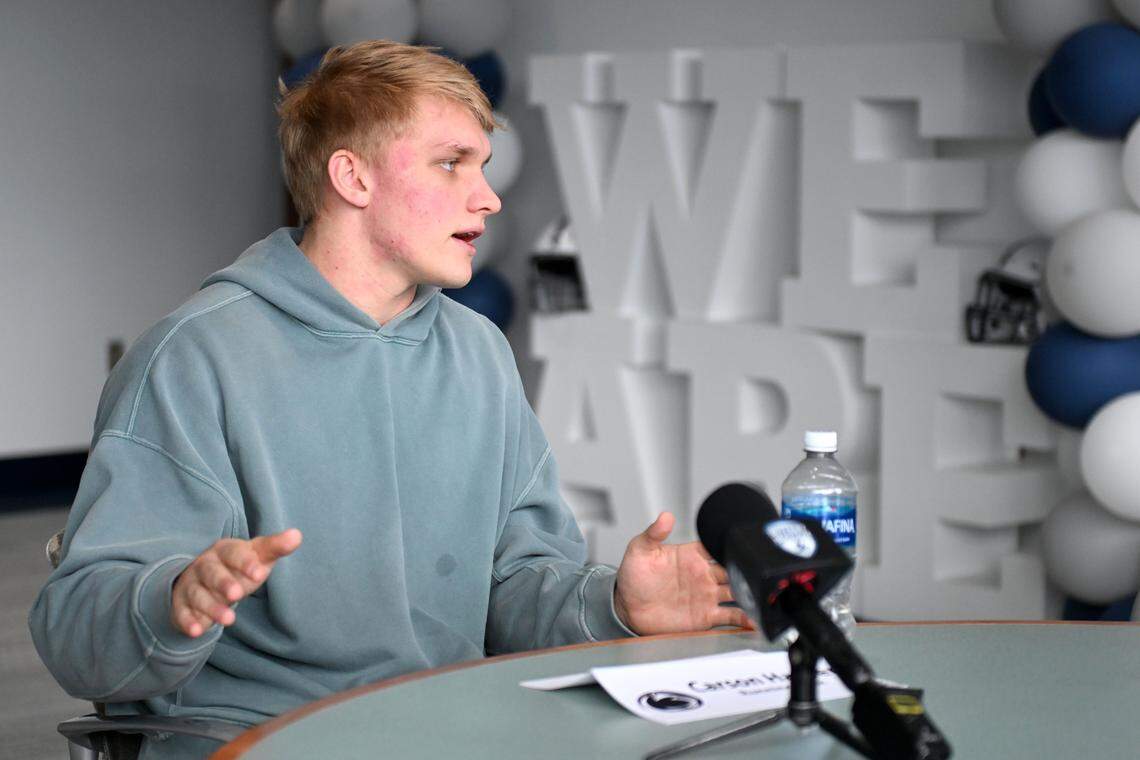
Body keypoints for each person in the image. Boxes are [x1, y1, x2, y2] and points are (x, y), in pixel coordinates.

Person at [29, 41, 746, 759]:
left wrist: (615, 605)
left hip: (452, 731)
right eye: (450, 162)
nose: (488, 197)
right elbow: (76, 632)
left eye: (483, 167)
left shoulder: (480, 354)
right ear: (353, 176)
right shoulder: (192, 358)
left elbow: (514, 589)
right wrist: (172, 598)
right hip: (262, 740)